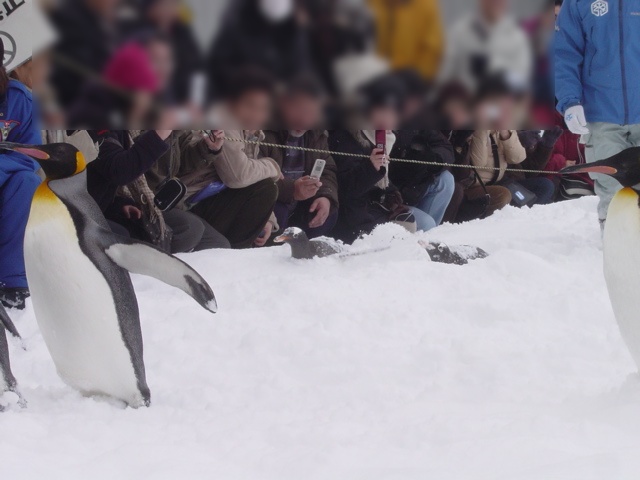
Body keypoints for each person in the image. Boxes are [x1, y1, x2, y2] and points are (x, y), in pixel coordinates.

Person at [148, 70, 281, 249]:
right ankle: (233, 254)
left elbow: (252, 177)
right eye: (250, 105)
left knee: (265, 189)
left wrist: (269, 219)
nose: (255, 114)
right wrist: (273, 167)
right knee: (266, 188)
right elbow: (237, 176)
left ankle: (235, 255)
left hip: (206, 199)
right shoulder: (224, 121)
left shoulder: (253, 133)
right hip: (183, 200)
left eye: (263, 109)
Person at [555, 0, 640, 228]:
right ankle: (616, 242)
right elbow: (564, 53)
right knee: (612, 189)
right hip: (601, 112)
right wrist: (569, 101)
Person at [88, 129, 231, 252]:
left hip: (157, 201)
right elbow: (133, 171)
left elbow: (178, 163)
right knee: (190, 229)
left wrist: (206, 148)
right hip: (143, 201)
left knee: (218, 244)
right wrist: (162, 134)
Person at [261, 76, 339, 238]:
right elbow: (255, 176)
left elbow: (328, 170)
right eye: (299, 110)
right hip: (272, 202)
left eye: (311, 113)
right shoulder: (263, 129)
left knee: (327, 211)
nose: (304, 120)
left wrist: (325, 196)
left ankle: (303, 251)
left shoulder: (317, 134)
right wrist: (292, 190)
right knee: (278, 210)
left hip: (300, 206)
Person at [0, 40, 44, 309]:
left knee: (28, 183)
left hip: (7, 181)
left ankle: (12, 281)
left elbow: (30, 152)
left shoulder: (18, 99)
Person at [207, 0, 312, 100]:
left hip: (279, 101)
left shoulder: (295, 31)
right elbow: (218, 66)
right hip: (238, 98)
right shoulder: (237, 22)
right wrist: (247, 85)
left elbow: (300, 69)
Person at [440, 0, 532, 93]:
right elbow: (444, 76)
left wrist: (493, 67)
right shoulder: (459, 33)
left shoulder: (518, 39)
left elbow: (521, 80)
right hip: (467, 98)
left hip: (501, 98)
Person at [124, 0, 204, 104]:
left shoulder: (183, 32)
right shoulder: (137, 34)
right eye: (163, 3)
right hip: (149, 101)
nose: (168, 9)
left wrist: (196, 100)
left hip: (183, 104)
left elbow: (198, 69)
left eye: (172, 3)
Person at [50, 0, 124, 108]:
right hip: (76, 100)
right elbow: (84, 68)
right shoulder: (69, 18)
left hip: (97, 96)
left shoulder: (98, 16)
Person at [367, 0, 444, 81]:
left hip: (408, 79)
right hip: (372, 75)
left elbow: (432, 50)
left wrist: (417, 78)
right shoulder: (373, 4)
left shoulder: (426, 5)